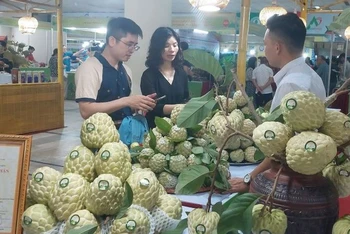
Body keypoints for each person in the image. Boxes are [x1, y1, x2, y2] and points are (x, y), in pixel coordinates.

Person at [227, 13, 326, 193]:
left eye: (265, 45)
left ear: (277, 47)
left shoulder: (290, 85)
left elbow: (280, 147)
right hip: (311, 175)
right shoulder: (313, 76)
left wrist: (249, 179)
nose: (264, 50)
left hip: (290, 183)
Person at [75, 17, 156, 126]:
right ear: (112, 41)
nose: (132, 50)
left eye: (135, 46)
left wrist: (138, 104)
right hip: (101, 136)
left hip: (126, 133)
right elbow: (86, 110)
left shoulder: (126, 70)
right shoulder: (90, 68)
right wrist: (126, 101)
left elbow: (122, 108)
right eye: (129, 44)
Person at [140, 27, 189, 128]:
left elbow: (186, 98)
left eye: (175, 45)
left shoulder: (181, 73)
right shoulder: (148, 75)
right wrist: (182, 108)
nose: (172, 50)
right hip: (156, 129)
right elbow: (153, 107)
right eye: (166, 46)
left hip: (179, 128)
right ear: (157, 48)